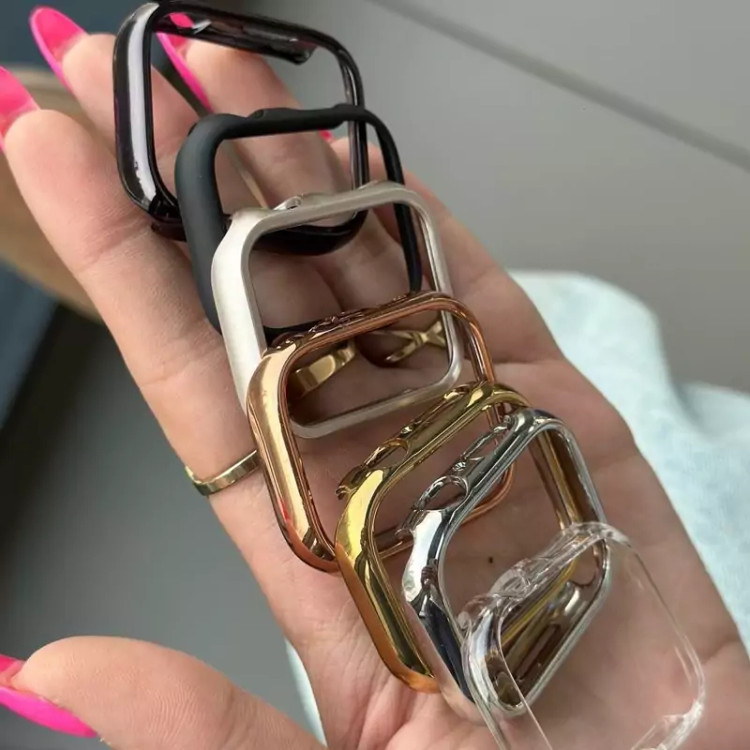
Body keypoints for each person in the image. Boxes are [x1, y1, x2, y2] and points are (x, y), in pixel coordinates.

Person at [0, 8, 747, 748]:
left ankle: (185, 268)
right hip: (472, 412)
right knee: (504, 343)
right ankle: (194, 261)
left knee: (432, 343)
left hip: (460, 476)